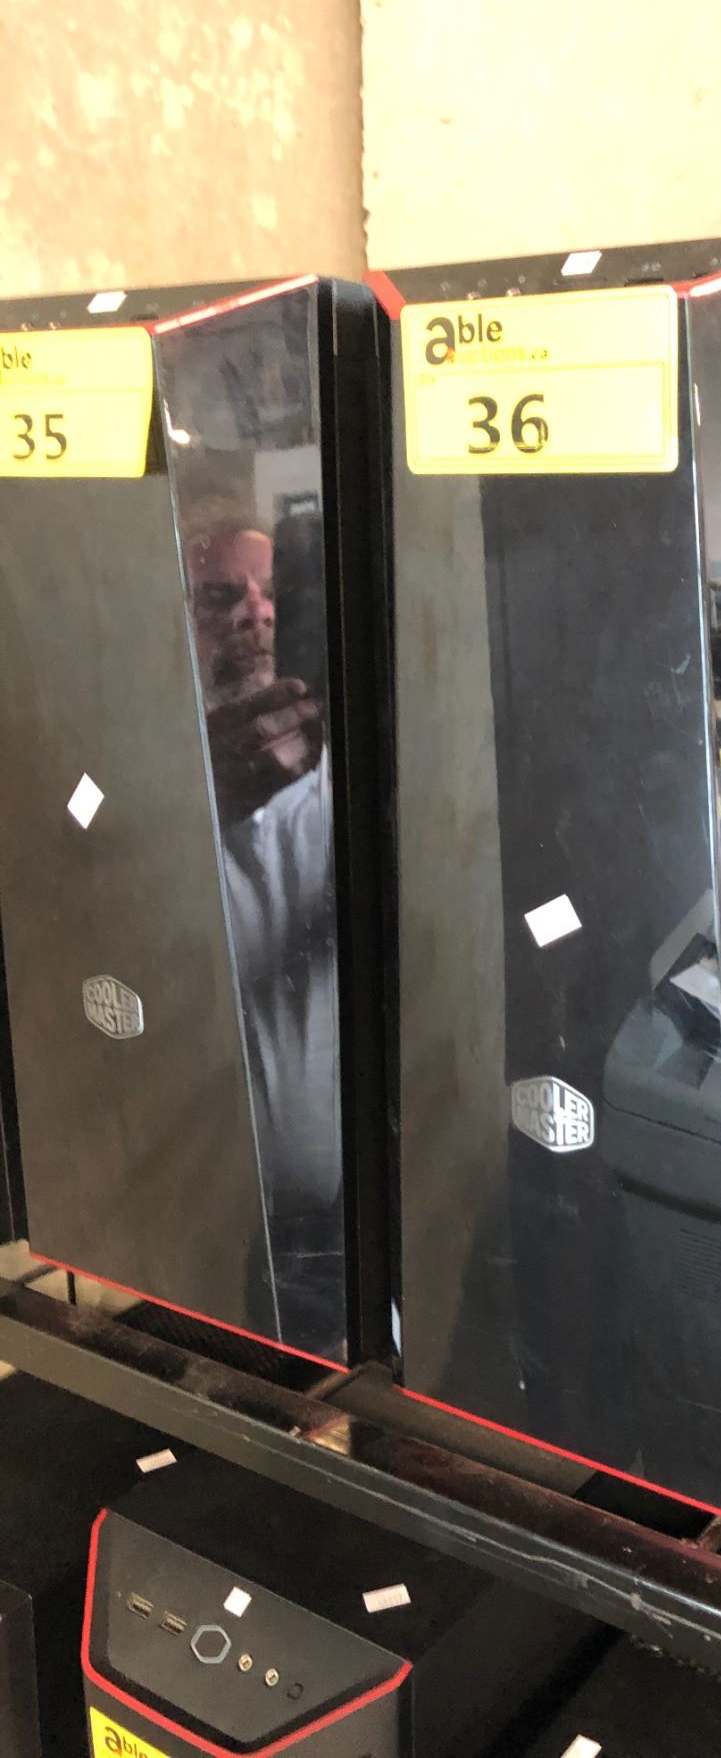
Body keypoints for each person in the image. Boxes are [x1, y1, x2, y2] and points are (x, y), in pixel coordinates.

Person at [183, 516, 345, 1358]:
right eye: (221, 596)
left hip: (345, 1216)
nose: (256, 613)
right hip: (195, 1217)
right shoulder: (148, 783)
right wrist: (199, 795)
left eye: (270, 592)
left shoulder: (341, 774)